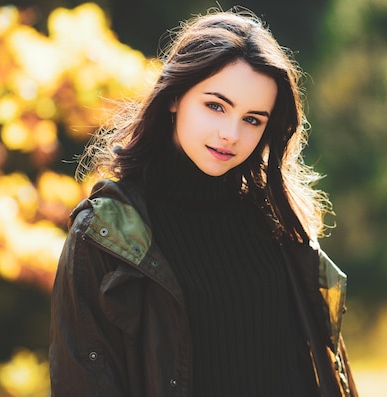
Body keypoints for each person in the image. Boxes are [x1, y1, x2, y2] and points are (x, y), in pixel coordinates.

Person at [49, 8, 358, 397]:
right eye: (216, 106)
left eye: (252, 120)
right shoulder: (105, 235)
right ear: (175, 97)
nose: (230, 133)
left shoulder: (278, 223)